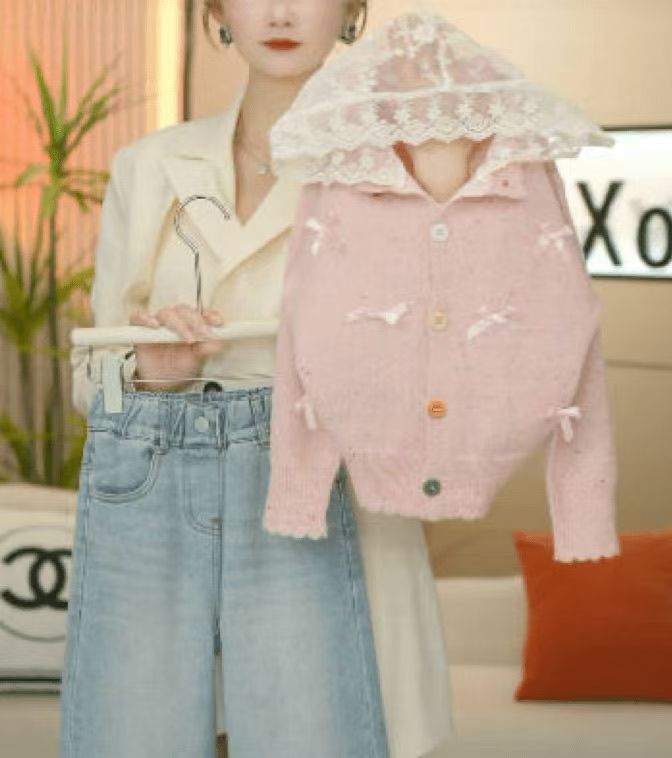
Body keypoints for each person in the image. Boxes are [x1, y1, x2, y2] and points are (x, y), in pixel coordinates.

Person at [61, 2, 453, 757]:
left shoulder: (405, 167)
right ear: (215, 11)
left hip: (342, 519)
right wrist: (150, 371)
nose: (279, 11)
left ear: (352, 10)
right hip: (167, 523)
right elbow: (92, 379)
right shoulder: (149, 165)